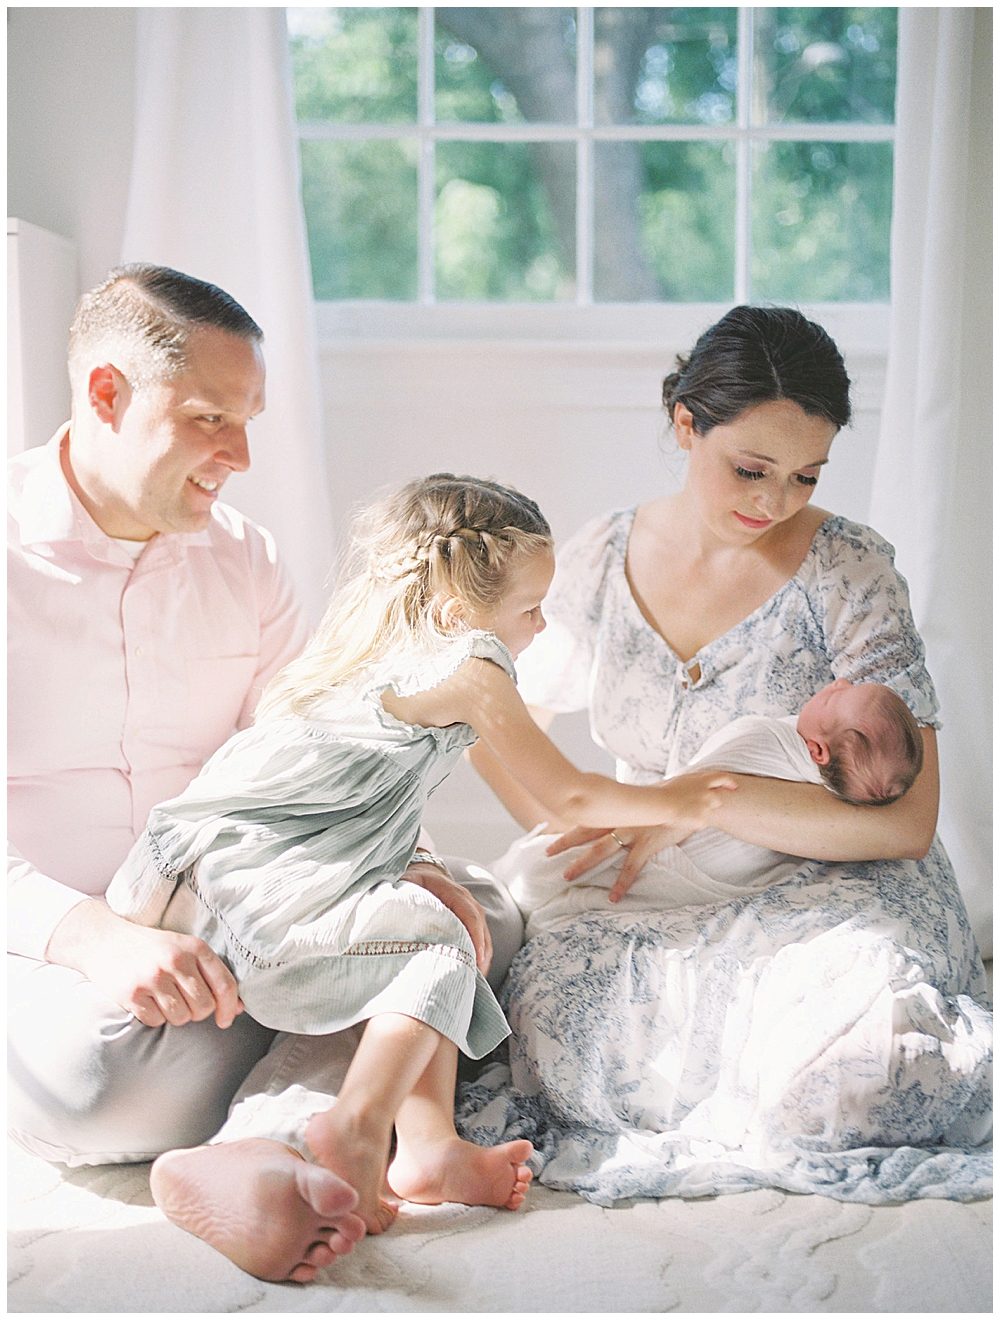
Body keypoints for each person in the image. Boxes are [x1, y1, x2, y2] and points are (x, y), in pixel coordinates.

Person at [7, 264, 523, 1284]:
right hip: (62, 953)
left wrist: (403, 869)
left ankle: (282, 1146)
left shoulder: (245, 560)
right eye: (209, 419)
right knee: (83, 1086)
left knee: (481, 918)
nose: (238, 457)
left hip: (258, 911)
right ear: (106, 394)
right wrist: (91, 937)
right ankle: (324, 1115)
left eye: (246, 422)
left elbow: (328, 757)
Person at [105, 472, 742, 1246]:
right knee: (432, 941)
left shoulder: (375, 657)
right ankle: (359, 1126)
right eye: (530, 609)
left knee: (442, 915)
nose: (541, 627)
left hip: (204, 864)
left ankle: (430, 1145)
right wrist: (686, 800)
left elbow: (341, 800)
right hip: (234, 882)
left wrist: (422, 868)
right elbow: (568, 797)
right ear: (457, 613)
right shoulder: (471, 664)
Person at [462, 305, 992, 1205]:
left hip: (833, 882)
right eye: (751, 468)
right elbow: (496, 722)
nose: (776, 500)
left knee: (867, 1058)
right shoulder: (597, 559)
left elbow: (907, 823)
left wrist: (704, 802)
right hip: (650, 900)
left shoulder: (851, 569)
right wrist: (570, 834)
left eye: (805, 475)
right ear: (684, 424)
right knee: (554, 1026)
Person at [494, 680, 925, 938]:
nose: (838, 681)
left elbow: (685, 791)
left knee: (539, 873)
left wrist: (657, 810)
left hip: (687, 861)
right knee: (580, 882)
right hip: (702, 872)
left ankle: (516, 891)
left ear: (816, 749)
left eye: (835, 698)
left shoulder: (765, 739)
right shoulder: (835, 792)